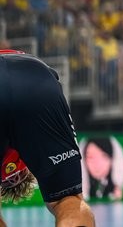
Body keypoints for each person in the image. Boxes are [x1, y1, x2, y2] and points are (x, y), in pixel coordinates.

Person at [0, 50, 95, 227]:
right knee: (67, 199)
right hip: (34, 76)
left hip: (36, 78)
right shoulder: (24, 149)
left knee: (68, 199)